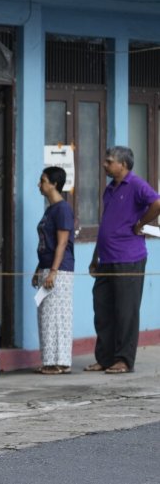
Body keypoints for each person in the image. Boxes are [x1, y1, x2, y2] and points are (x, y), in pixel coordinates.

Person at [86, 146, 160, 374]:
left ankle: (123, 360)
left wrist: (140, 225)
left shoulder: (136, 184)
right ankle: (105, 358)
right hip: (106, 258)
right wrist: (94, 256)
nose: (105, 164)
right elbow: (106, 224)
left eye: (109, 161)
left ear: (123, 165)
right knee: (103, 309)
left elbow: (157, 203)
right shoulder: (109, 189)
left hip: (128, 258)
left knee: (126, 311)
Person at [31, 167, 75, 375]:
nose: (40, 185)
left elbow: (62, 242)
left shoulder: (62, 209)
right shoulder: (50, 209)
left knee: (58, 317)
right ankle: (50, 361)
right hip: (47, 267)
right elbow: (45, 243)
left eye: (43, 180)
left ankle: (59, 361)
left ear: (54, 184)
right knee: (46, 316)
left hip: (59, 270)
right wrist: (39, 269)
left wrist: (54, 271)